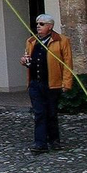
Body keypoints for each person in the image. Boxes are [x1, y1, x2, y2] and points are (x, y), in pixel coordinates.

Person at [22, 14, 73, 154]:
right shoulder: (31, 41)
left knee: (51, 113)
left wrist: (66, 83)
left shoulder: (62, 41)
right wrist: (24, 61)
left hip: (53, 84)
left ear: (50, 26)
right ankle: (40, 143)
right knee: (39, 113)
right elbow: (28, 58)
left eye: (42, 24)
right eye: (37, 23)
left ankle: (54, 140)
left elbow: (68, 63)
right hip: (35, 83)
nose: (38, 26)